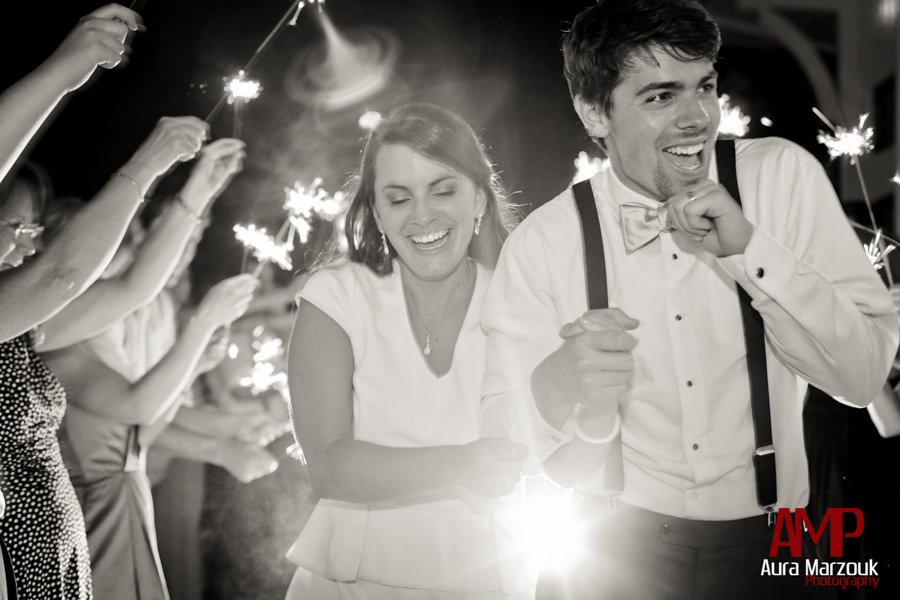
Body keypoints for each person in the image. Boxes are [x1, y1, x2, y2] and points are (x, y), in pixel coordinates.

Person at [479, 1, 898, 599]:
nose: (697, 117)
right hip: (609, 554)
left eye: (704, 87)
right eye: (660, 96)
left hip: (780, 548)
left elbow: (861, 380)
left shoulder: (783, 178)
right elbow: (499, 442)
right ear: (594, 112)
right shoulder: (545, 241)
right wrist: (555, 380)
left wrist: (752, 253)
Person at [285, 103, 535, 599]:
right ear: (376, 213)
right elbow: (330, 468)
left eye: (443, 191)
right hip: (347, 581)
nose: (423, 215)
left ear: (480, 201)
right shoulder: (336, 296)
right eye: (399, 199)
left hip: (489, 574)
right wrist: (463, 465)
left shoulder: (522, 303)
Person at [40, 160, 255, 598]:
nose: (184, 252)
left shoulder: (145, 310)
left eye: (195, 238)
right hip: (87, 512)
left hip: (128, 498)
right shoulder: (60, 333)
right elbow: (137, 406)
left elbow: (141, 433)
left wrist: (196, 368)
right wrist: (203, 326)